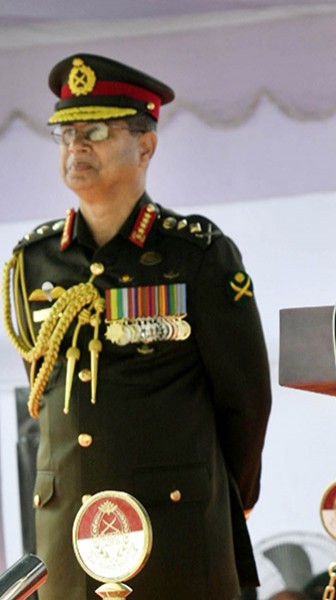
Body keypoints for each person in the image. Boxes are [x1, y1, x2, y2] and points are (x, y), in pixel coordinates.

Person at [2, 53, 272, 599]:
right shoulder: (34, 262)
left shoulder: (196, 253)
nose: (77, 147)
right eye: (66, 133)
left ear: (145, 144)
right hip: (68, 531)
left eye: (96, 131)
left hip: (171, 523)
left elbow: (245, 399)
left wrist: (223, 494)